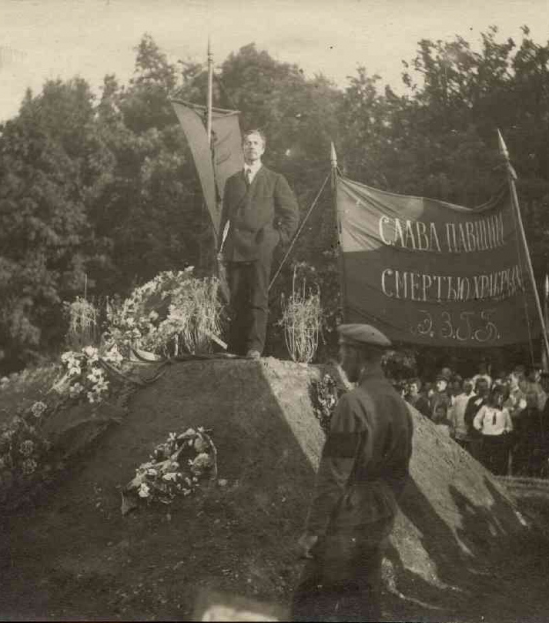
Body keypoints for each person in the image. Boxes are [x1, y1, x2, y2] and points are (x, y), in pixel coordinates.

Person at [292, 324, 413, 621]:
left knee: (309, 600)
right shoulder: (400, 406)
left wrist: (312, 531)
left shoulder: (353, 403)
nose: (341, 358)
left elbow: (334, 473)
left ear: (358, 354)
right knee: (363, 596)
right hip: (381, 510)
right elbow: (401, 471)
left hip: (348, 514)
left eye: (343, 350)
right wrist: (385, 504)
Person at [218, 129, 299, 359]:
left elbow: (291, 214)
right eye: (247, 143)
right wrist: (221, 248)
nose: (251, 146)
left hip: (261, 247)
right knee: (236, 298)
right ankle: (234, 348)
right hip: (235, 246)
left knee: (258, 296)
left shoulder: (274, 179)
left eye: (256, 143)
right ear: (242, 148)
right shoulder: (232, 182)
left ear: (262, 149)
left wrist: (275, 239)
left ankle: (255, 347)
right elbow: (225, 218)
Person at [473, 384, 514, 475]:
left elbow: (510, 426)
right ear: (493, 396)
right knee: (485, 459)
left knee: (499, 460)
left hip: (499, 439)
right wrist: (479, 428)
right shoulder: (485, 408)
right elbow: (476, 419)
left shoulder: (505, 411)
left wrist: (506, 430)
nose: (499, 399)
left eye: (502, 397)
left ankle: (499, 477)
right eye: (497, 396)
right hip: (487, 437)